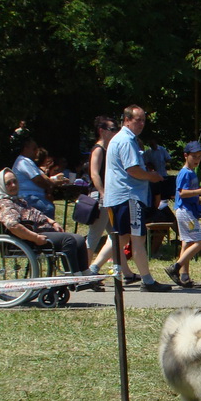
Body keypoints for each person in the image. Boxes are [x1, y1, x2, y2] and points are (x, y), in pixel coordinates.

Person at [102, 105, 171, 292]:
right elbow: (132, 170)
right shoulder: (126, 141)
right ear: (126, 120)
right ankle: (147, 281)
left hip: (122, 197)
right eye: (137, 120)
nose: (141, 124)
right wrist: (151, 176)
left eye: (143, 120)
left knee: (121, 238)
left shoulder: (123, 140)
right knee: (137, 239)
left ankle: (90, 271)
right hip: (129, 197)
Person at [0, 169, 90, 274]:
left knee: (79, 239)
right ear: (2, 186)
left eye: (15, 181)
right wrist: (35, 238)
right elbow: (13, 225)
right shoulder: (5, 204)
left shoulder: (19, 200)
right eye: (8, 183)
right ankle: (74, 276)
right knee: (67, 240)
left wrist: (52, 222)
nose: (13, 185)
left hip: (40, 231)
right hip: (29, 238)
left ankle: (86, 274)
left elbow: (36, 213)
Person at [164, 140, 201, 288]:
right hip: (185, 213)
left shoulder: (192, 173)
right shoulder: (185, 173)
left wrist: (199, 210)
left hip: (189, 211)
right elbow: (182, 193)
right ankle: (175, 267)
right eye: (194, 157)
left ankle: (184, 277)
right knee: (199, 242)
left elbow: (192, 197)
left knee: (187, 243)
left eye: (199, 157)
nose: (197, 160)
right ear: (186, 156)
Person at [83, 115, 120, 279]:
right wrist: (104, 194)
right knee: (94, 236)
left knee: (117, 235)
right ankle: (82, 272)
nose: (115, 132)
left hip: (108, 197)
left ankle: (95, 268)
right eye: (112, 129)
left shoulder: (108, 149)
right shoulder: (98, 149)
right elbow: (94, 174)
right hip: (100, 198)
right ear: (101, 131)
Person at [11, 133, 66, 218]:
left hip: (34, 196)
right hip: (27, 197)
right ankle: (45, 230)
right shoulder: (23, 161)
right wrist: (51, 185)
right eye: (34, 149)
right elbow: (38, 180)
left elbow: (43, 177)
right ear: (26, 148)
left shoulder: (29, 162)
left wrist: (55, 179)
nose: (36, 151)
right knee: (48, 208)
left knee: (48, 205)